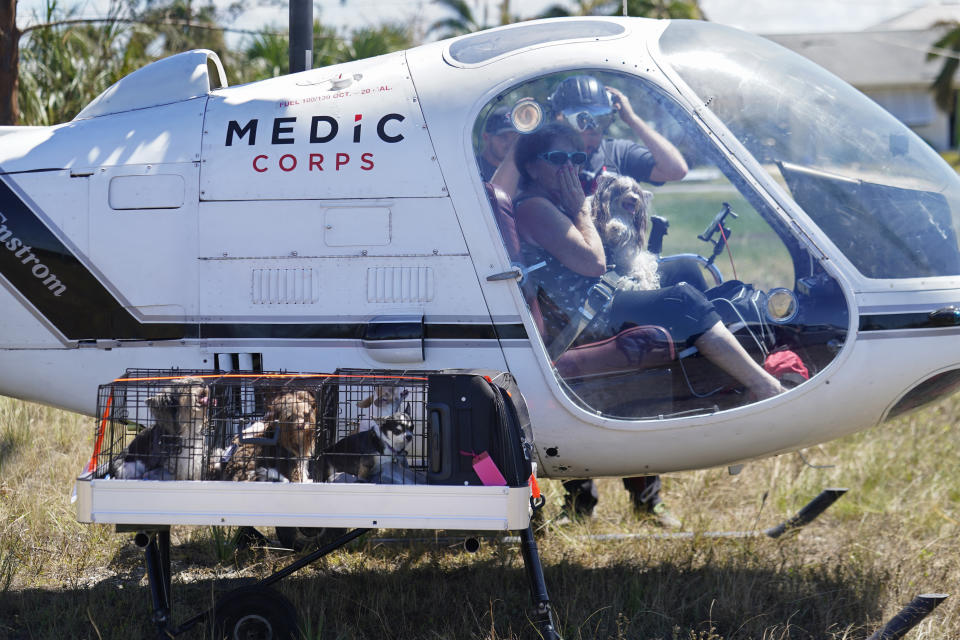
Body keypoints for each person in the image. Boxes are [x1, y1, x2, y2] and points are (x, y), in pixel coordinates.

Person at [512, 123, 785, 526]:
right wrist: (583, 209)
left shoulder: (552, 201)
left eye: (577, 158)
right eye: (558, 159)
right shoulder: (534, 206)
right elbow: (593, 263)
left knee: (689, 270)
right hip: (584, 318)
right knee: (682, 301)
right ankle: (764, 386)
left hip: (596, 301)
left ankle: (726, 371)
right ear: (534, 167)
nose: (570, 167)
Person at [478, 106, 520, 182]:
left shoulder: (521, 171)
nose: (510, 144)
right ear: (486, 138)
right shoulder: (473, 168)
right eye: (503, 137)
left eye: (515, 138)